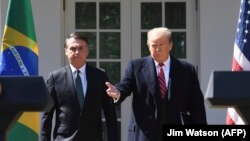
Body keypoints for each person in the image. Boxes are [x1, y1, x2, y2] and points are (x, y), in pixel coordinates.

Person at [106, 27, 207, 141]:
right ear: (148, 46)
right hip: (144, 133)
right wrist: (117, 92)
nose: (157, 49)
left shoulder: (186, 69)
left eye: (162, 44)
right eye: (154, 45)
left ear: (170, 45)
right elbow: (125, 85)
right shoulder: (136, 66)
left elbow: (196, 104)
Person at [40, 33, 119, 141]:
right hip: (64, 138)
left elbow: (110, 113)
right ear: (66, 51)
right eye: (73, 48)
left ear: (87, 51)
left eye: (81, 48)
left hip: (93, 137)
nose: (77, 52)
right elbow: (47, 115)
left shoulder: (100, 76)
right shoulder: (55, 77)